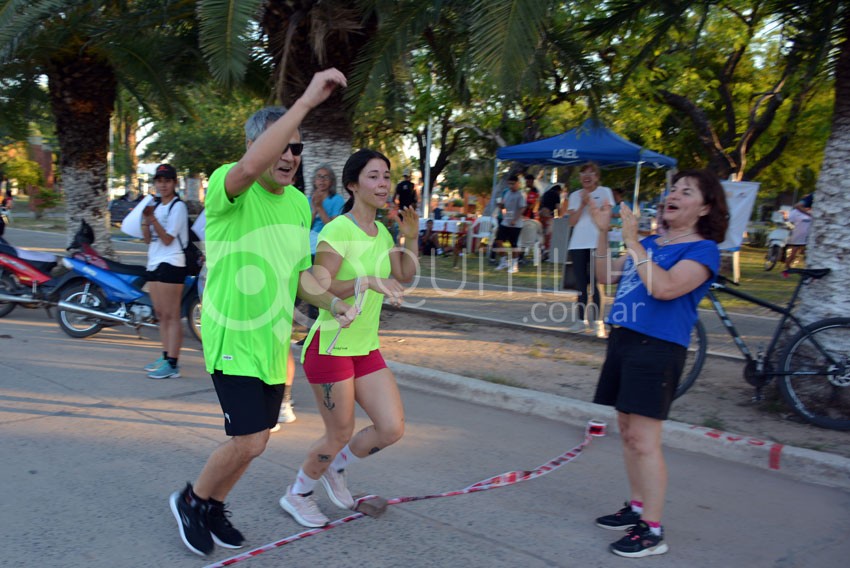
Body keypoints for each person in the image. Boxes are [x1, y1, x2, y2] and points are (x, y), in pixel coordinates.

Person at [168, 69, 358, 558]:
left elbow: (300, 276)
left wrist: (332, 302)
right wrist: (306, 103)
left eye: (299, 148)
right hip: (232, 333)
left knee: (258, 440)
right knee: (250, 440)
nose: (292, 156)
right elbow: (251, 167)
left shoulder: (297, 205)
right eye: (284, 145)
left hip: (273, 339)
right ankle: (190, 500)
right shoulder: (229, 188)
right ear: (259, 146)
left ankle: (213, 505)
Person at [588, 169, 728, 558]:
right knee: (628, 431)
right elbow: (603, 274)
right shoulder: (650, 242)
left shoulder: (703, 250)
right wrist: (604, 233)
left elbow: (664, 288)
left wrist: (634, 243)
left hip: (659, 347)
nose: (674, 195)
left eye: (687, 191)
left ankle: (652, 530)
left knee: (645, 441)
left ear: (704, 207)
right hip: (625, 340)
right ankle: (636, 508)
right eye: (673, 189)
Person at [279, 148, 419, 528]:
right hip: (330, 345)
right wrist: (365, 281)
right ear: (353, 185)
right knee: (338, 431)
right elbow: (317, 285)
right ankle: (298, 492)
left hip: (364, 346)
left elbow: (403, 275)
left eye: (386, 176)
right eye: (373, 176)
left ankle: (335, 469)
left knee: (391, 427)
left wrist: (410, 237)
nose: (383, 184)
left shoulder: (382, 232)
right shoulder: (338, 229)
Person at [141, 164, 189, 379]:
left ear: (174, 183)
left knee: (171, 315)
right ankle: (164, 355)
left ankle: (173, 363)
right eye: (159, 181)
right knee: (160, 315)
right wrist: (145, 220)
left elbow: (169, 239)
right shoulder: (156, 206)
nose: (162, 185)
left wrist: (152, 219)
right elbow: (147, 239)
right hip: (154, 261)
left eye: (167, 181)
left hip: (172, 261)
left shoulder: (178, 207)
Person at [564, 162, 615, 337]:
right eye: (583, 173)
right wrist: (583, 204)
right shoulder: (574, 195)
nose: (587, 176)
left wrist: (592, 203)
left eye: (591, 173)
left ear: (597, 176)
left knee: (596, 283)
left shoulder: (605, 192)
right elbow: (572, 221)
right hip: (578, 244)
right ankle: (580, 320)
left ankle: (598, 323)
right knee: (581, 283)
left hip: (596, 243)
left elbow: (606, 217)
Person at [494, 174, 525, 273]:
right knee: (499, 241)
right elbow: (504, 208)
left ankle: (515, 265)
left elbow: (522, 208)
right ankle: (503, 261)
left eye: (513, 184)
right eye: (509, 184)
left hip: (516, 224)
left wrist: (515, 220)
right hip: (505, 221)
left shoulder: (520, 195)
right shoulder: (507, 193)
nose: (511, 186)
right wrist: (501, 207)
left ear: (517, 184)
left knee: (513, 244)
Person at [784, 206, 812, 270]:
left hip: (808, 236)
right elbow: (788, 221)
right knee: (793, 253)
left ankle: (807, 267)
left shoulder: (813, 211)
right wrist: (790, 228)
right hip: (797, 236)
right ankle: (787, 266)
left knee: (806, 253)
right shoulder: (795, 212)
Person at [538, 183, 561, 258]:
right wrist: (558, 217)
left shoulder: (545, 193)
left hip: (541, 215)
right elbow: (558, 208)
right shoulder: (556, 194)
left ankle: (542, 250)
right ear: (559, 190)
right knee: (549, 235)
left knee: (542, 234)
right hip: (548, 216)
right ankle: (547, 252)